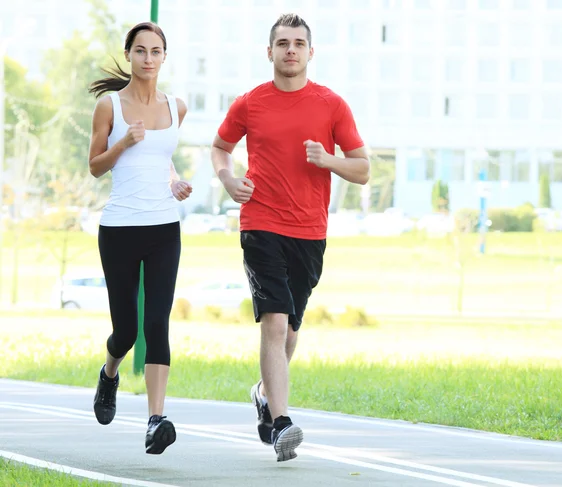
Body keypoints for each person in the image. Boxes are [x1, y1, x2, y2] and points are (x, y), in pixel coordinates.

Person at [211, 13, 370, 462]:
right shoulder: (250, 103)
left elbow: (362, 169)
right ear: (270, 52)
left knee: (291, 334)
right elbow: (220, 147)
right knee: (275, 322)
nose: (291, 50)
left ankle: (263, 393)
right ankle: (282, 423)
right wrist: (227, 178)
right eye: (282, 43)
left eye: (299, 43)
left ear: (310, 53)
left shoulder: (331, 105)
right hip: (260, 224)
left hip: (309, 232)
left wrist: (329, 160)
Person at [87, 21, 192, 455]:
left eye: (156, 51)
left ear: (164, 57)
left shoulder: (176, 106)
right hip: (119, 230)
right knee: (127, 330)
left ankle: (155, 419)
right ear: (129, 55)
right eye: (141, 51)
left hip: (164, 228)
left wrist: (176, 181)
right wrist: (124, 142)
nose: (148, 58)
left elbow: (161, 160)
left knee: (157, 324)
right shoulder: (109, 106)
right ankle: (109, 373)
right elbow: (95, 166)